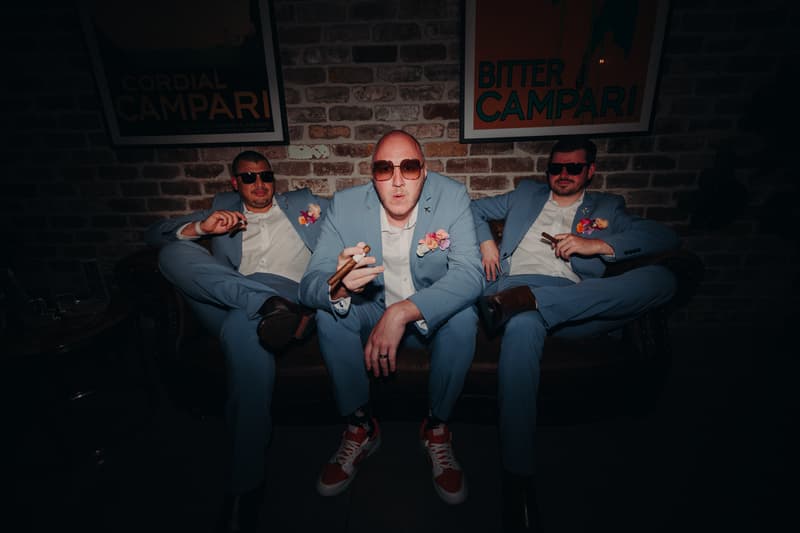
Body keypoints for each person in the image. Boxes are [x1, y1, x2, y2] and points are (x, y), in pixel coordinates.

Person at [470, 136, 679, 531]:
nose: (562, 175)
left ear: (590, 171)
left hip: (579, 299)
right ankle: (518, 479)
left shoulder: (607, 207)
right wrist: (486, 242)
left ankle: (527, 304)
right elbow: (468, 208)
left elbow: (665, 238)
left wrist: (596, 243)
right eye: (555, 168)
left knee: (663, 280)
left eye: (573, 168)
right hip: (518, 291)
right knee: (522, 326)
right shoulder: (525, 194)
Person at [144, 150, 329, 533]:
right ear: (235, 183)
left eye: (266, 176)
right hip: (232, 296)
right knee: (173, 252)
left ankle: (245, 484)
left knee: (246, 336)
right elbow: (153, 234)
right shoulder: (221, 210)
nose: (259, 184)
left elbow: (360, 210)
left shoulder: (303, 204)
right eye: (249, 178)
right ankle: (262, 305)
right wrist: (202, 230)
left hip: (286, 296)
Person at [298, 130, 484, 505]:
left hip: (424, 309)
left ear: (425, 172)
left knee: (464, 318)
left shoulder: (451, 197)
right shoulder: (347, 206)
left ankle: (437, 427)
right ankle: (360, 425)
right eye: (385, 168)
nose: (397, 180)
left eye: (409, 167)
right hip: (370, 307)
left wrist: (402, 311)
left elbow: (470, 274)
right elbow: (309, 283)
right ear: (373, 175)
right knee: (330, 316)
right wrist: (339, 285)